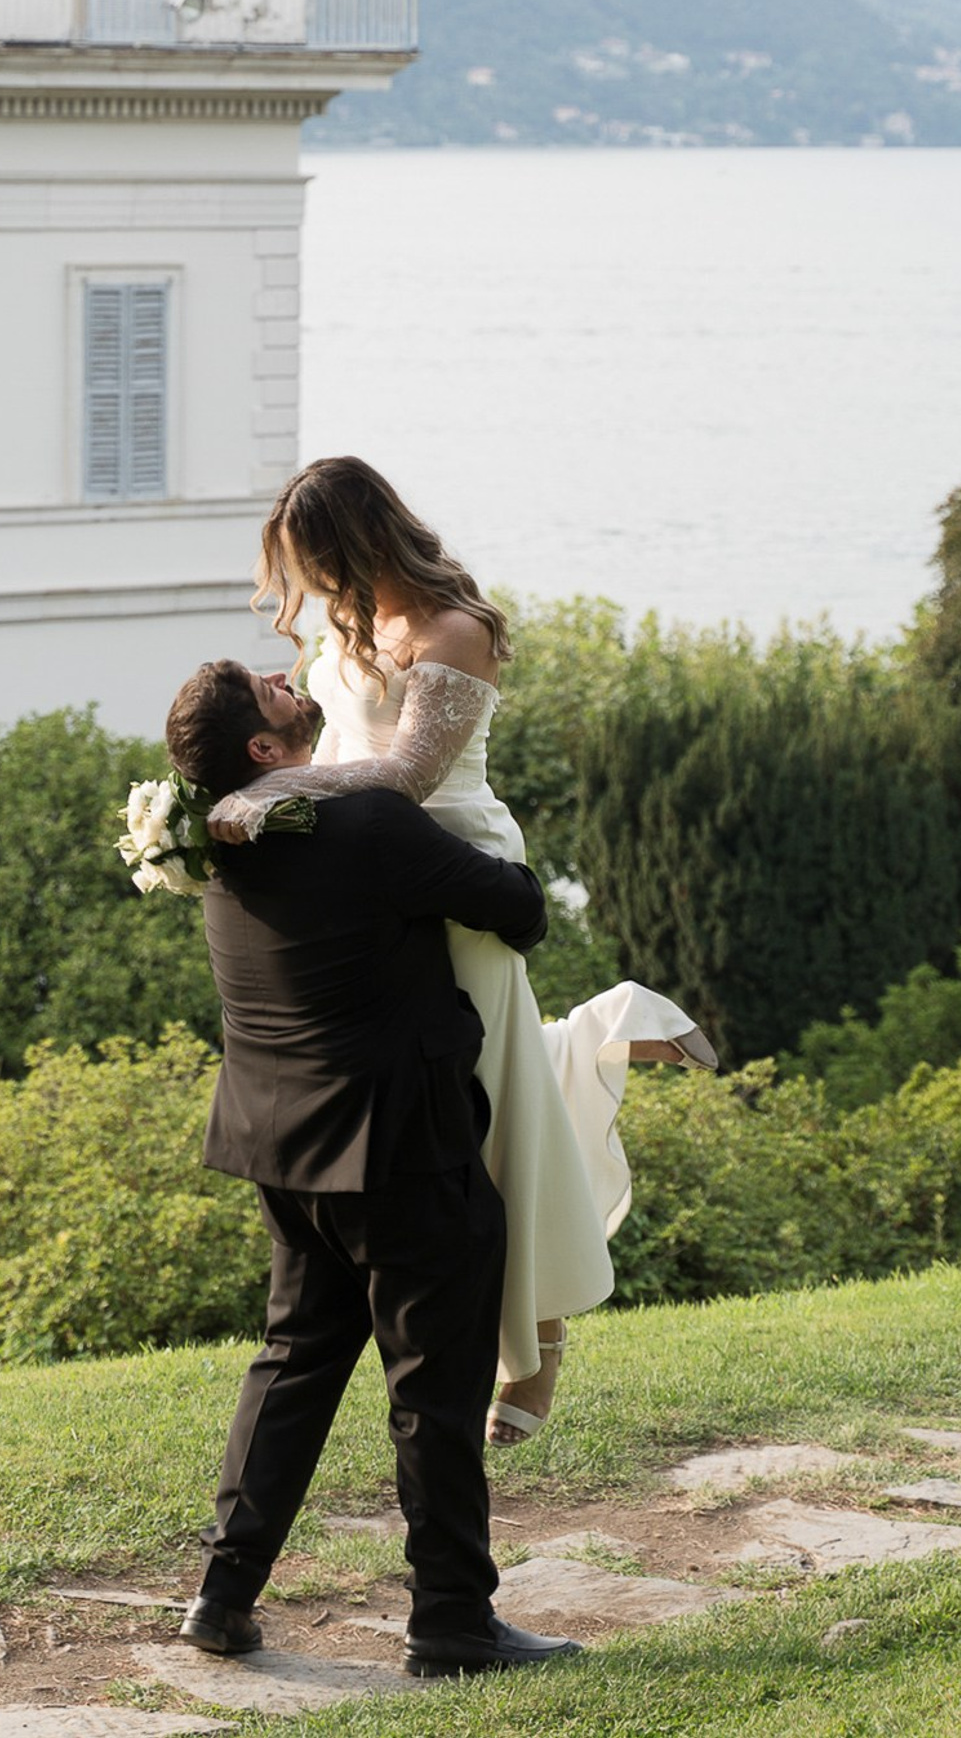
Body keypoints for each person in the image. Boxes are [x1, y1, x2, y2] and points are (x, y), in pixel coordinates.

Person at [205, 455, 715, 1442]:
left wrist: (279, 792)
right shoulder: (346, 626)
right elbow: (319, 740)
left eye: (314, 558)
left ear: (357, 537)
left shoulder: (454, 631)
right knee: (439, 1104)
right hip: (371, 880)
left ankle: (536, 1352)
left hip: (454, 868)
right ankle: (604, 1039)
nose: (307, 585)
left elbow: (403, 774)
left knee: (487, 1111)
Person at [163, 658, 585, 1682]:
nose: (285, 674)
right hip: (402, 1145)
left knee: (294, 1365)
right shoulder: (368, 826)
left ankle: (222, 1597)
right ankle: (452, 1624)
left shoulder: (218, 850)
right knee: (434, 1390)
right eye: (267, 690)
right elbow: (519, 907)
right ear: (267, 750)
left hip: (281, 1145)